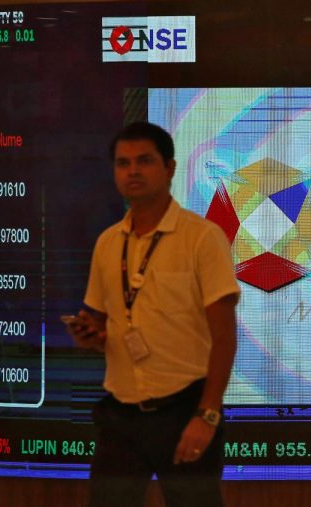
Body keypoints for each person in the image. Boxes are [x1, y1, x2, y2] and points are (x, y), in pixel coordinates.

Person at [65, 121, 240, 507]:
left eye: (144, 161)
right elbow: (104, 323)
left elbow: (225, 337)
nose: (133, 171)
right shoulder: (107, 243)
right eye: (123, 163)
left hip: (184, 410)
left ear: (170, 168)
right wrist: (91, 334)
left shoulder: (203, 237)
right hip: (120, 415)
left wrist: (207, 416)